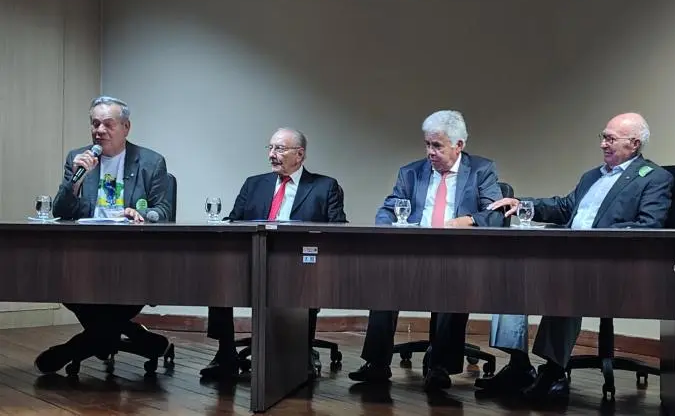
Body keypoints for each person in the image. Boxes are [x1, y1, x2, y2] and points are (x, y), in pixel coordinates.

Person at [481, 112, 673, 401]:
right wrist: (523, 204)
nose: (603, 144)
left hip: (612, 266)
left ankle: (554, 371)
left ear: (634, 144)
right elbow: (564, 208)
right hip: (570, 256)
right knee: (513, 273)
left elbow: (649, 226)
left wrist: (592, 238)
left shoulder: (655, 178)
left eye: (610, 139)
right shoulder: (593, 176)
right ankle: (518, 363)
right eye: (603, 137)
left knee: (567, 283)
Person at [348, 110, 505, 391]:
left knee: (454, 282)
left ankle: (440, 367)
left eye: (437, 146)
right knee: (384, 282)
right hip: (413, 253)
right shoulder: (411, 172)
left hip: (459, 255)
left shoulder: (481, 170)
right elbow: (389, 208)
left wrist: (468, 220)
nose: (430, 152)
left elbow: (496, 214)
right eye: (427, 144)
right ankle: (377, 363)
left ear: (459, 145)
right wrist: (387, 227)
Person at [35, 96, 172, 374]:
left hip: (132, 257)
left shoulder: (151, 162)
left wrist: (140, 214)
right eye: (95, 124)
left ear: (126, 127)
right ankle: (140, 339)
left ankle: (72, 350)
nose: (100, 130)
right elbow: (62, 211)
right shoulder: (78, 158)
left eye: (108, 124)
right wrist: (75, 182)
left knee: (119, 296)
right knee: (70, 286)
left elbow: (164, 210)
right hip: (85, 255)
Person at [202, 127, 347, 379]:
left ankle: (301, 354)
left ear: (299, 154)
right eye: (270, 148)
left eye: (279, 149)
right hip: (255, 261)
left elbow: (337, 230)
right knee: (220, 278)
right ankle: (225, 354)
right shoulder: (254, 184)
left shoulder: (324, 187)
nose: (271, 154)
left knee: (307, 278)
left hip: (301, 266)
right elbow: (234, 222)